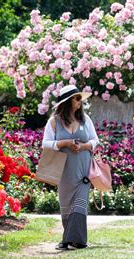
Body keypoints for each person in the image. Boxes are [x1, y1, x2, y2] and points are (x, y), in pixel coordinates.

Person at [42, 85, 99, 250]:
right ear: (67, 102)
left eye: (80, 98)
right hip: (64, 170)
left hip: (83, 169)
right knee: (66, 205)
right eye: (77, 98)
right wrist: (64, 143)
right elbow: (45, 144)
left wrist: (84, 146)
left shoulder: (85, 119)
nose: (80, 101)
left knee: (80, 204)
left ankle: (74, 240)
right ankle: (71, 239)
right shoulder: (54, 121)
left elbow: (95, 140)